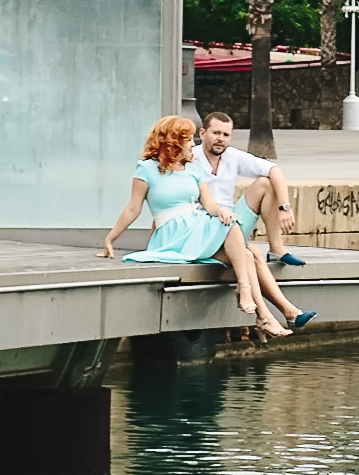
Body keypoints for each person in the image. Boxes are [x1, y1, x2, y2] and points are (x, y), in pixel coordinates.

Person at [98, 116, 310, 337]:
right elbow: (133, 208)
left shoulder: (193, 168)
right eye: (187, 139)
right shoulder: (146, 169)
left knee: (241, 243)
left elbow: (209, 204)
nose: (192, 144)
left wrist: (221, 211)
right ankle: (256, 299)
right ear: (173, 141)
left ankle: (263, 316)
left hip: (198, 226)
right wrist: (110, 239)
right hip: (173, 234)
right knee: (246, 249)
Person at [194, 112, 305, 267]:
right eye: (216, 133)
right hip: (202, 228)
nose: (221, 139)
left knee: (265, 183)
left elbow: (274, 169)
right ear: (203, 133)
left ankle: (276, 249)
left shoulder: (233, 156)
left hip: (230, 223)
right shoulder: (190, 158)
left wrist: (285, 206)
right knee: (251, 255)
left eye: (226, 135)